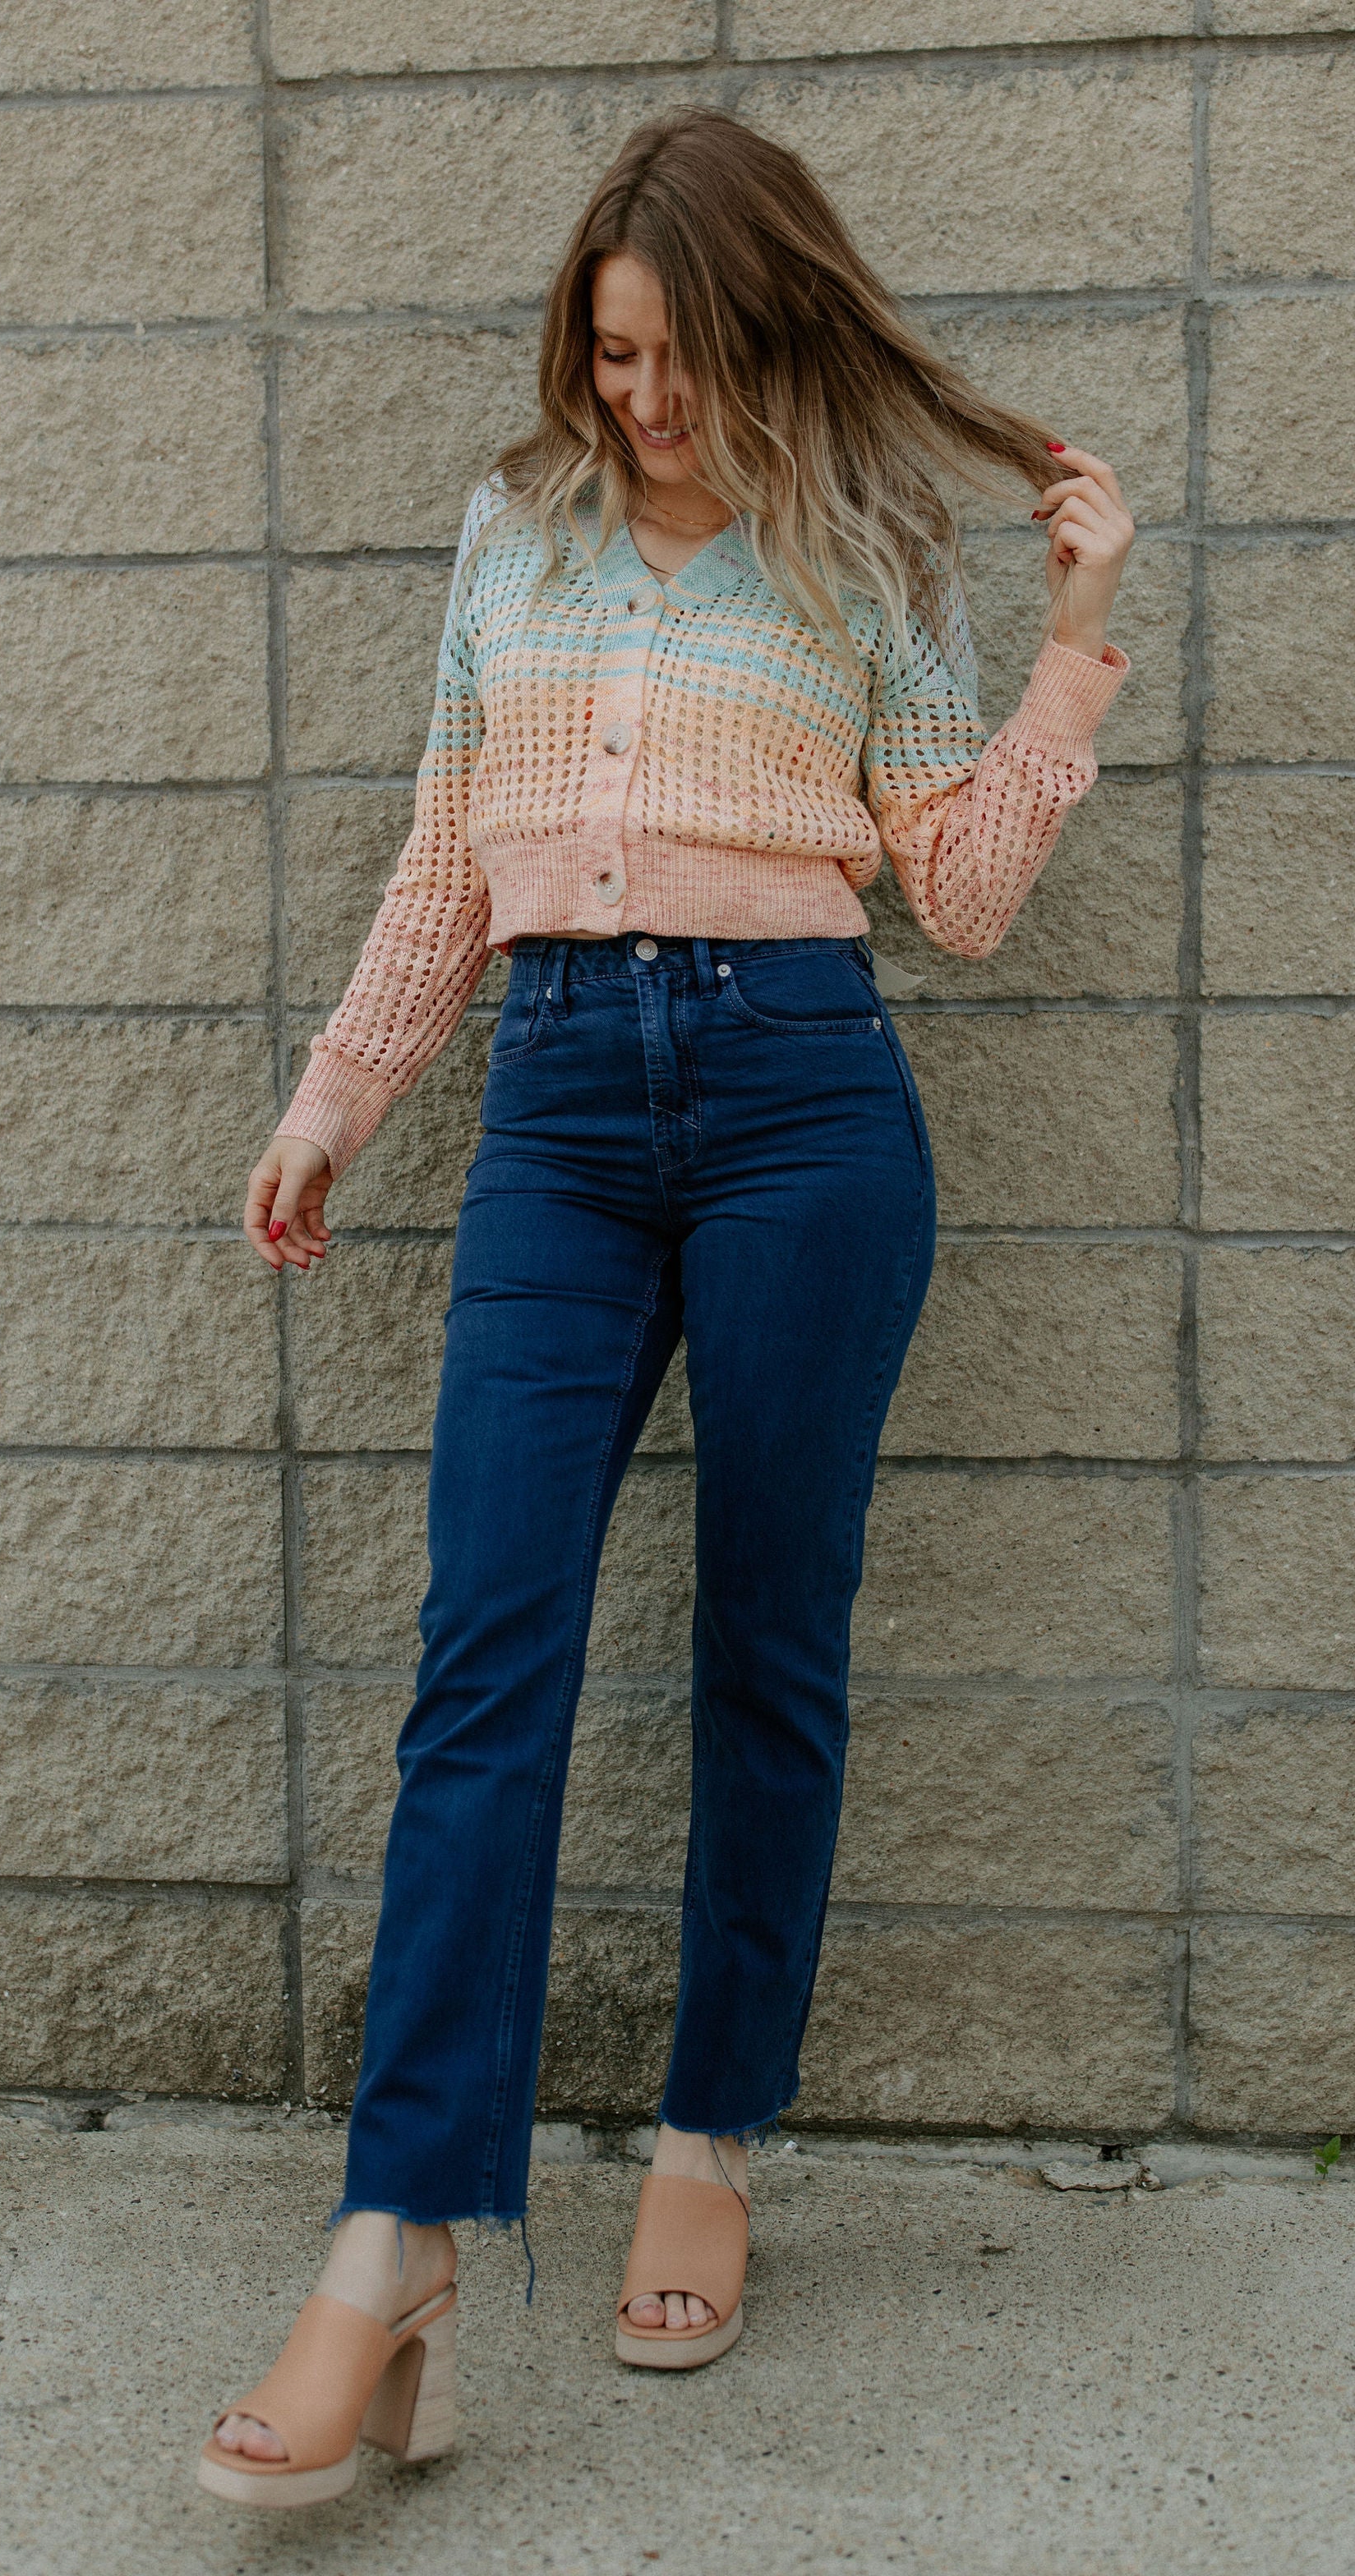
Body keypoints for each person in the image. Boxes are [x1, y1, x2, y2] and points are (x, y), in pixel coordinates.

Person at [199, 106, 1135, 2509]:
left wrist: (1071, 652)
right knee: (484, 1657)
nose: (644, 399)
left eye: (681, 356)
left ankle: (712, 2138)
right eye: (611, 357)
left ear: (767, 330)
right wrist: (336, 1100)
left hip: (807, 1106)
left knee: (767, 1640)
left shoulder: (864, 545)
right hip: (555, 1115)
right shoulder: (514, 532)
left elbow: (958, 895)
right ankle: (398, 2236)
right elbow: (451, 844)